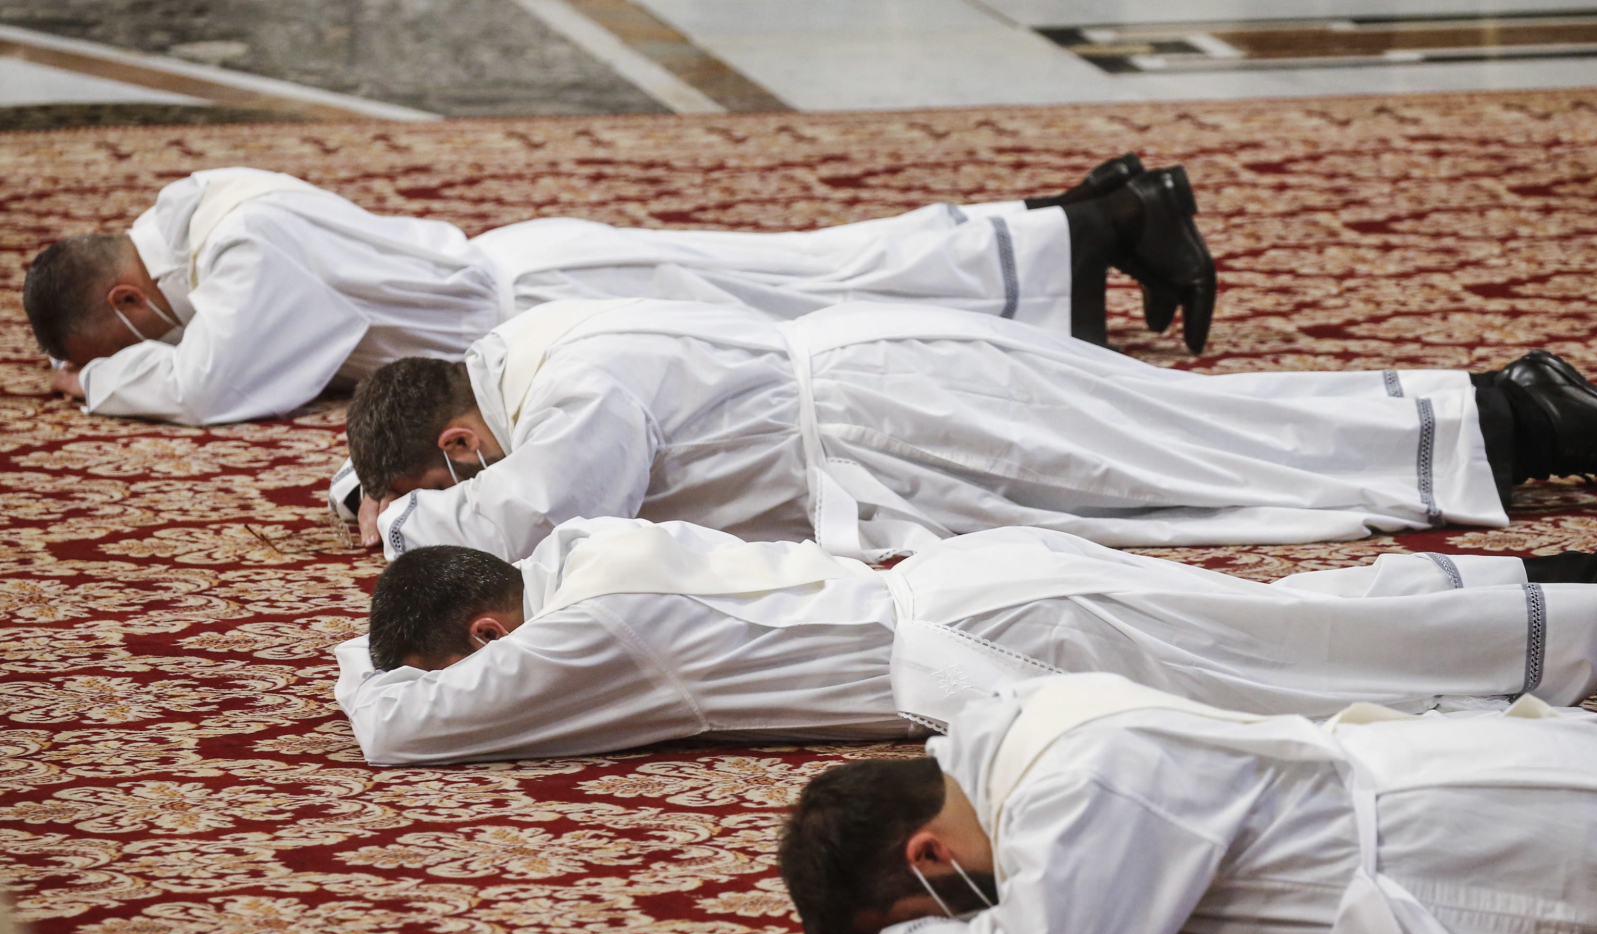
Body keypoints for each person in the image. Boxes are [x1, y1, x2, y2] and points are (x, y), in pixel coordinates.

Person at [341, 285, 1597, 559]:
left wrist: (409, 525)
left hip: (906, 415)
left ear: (459, 441)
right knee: (1181, 438)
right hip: (895, 380)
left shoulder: (569, 393)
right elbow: (496, 469)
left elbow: (547, 501)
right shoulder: (525, 351)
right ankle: (1495, 410)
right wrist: (367, 491)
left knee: (1188, 454)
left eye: (455, 467)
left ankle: (1513, 419)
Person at [24, 155, 1212, 427]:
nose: (151, 336)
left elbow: (225, 379)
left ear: (128, 304)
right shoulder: (205, 202)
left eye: (128, 332)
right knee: (816, 276)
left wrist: (109, 382)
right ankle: (1087, 221)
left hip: (539, 295)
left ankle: (1096, 224)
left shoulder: (232, 250)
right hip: (538, 281)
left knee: (822, 290)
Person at [332, 515, 1597, 765]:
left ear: (490, 629)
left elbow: (400, 729)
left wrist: (358, 658)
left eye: (474, 659)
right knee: (1300, 623)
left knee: (1306, 664)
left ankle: (1577, 626)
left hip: (990, 629)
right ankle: (1553, 586)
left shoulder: (587, 627)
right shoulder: (580, 545)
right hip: (971, 576)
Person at [777, 673, 1597, 934]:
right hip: (1458, 803)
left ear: (928, 855)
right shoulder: (1009, 733)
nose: (964, 915)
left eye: (927, 908)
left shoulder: (1075, 786)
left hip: (1483, 842)